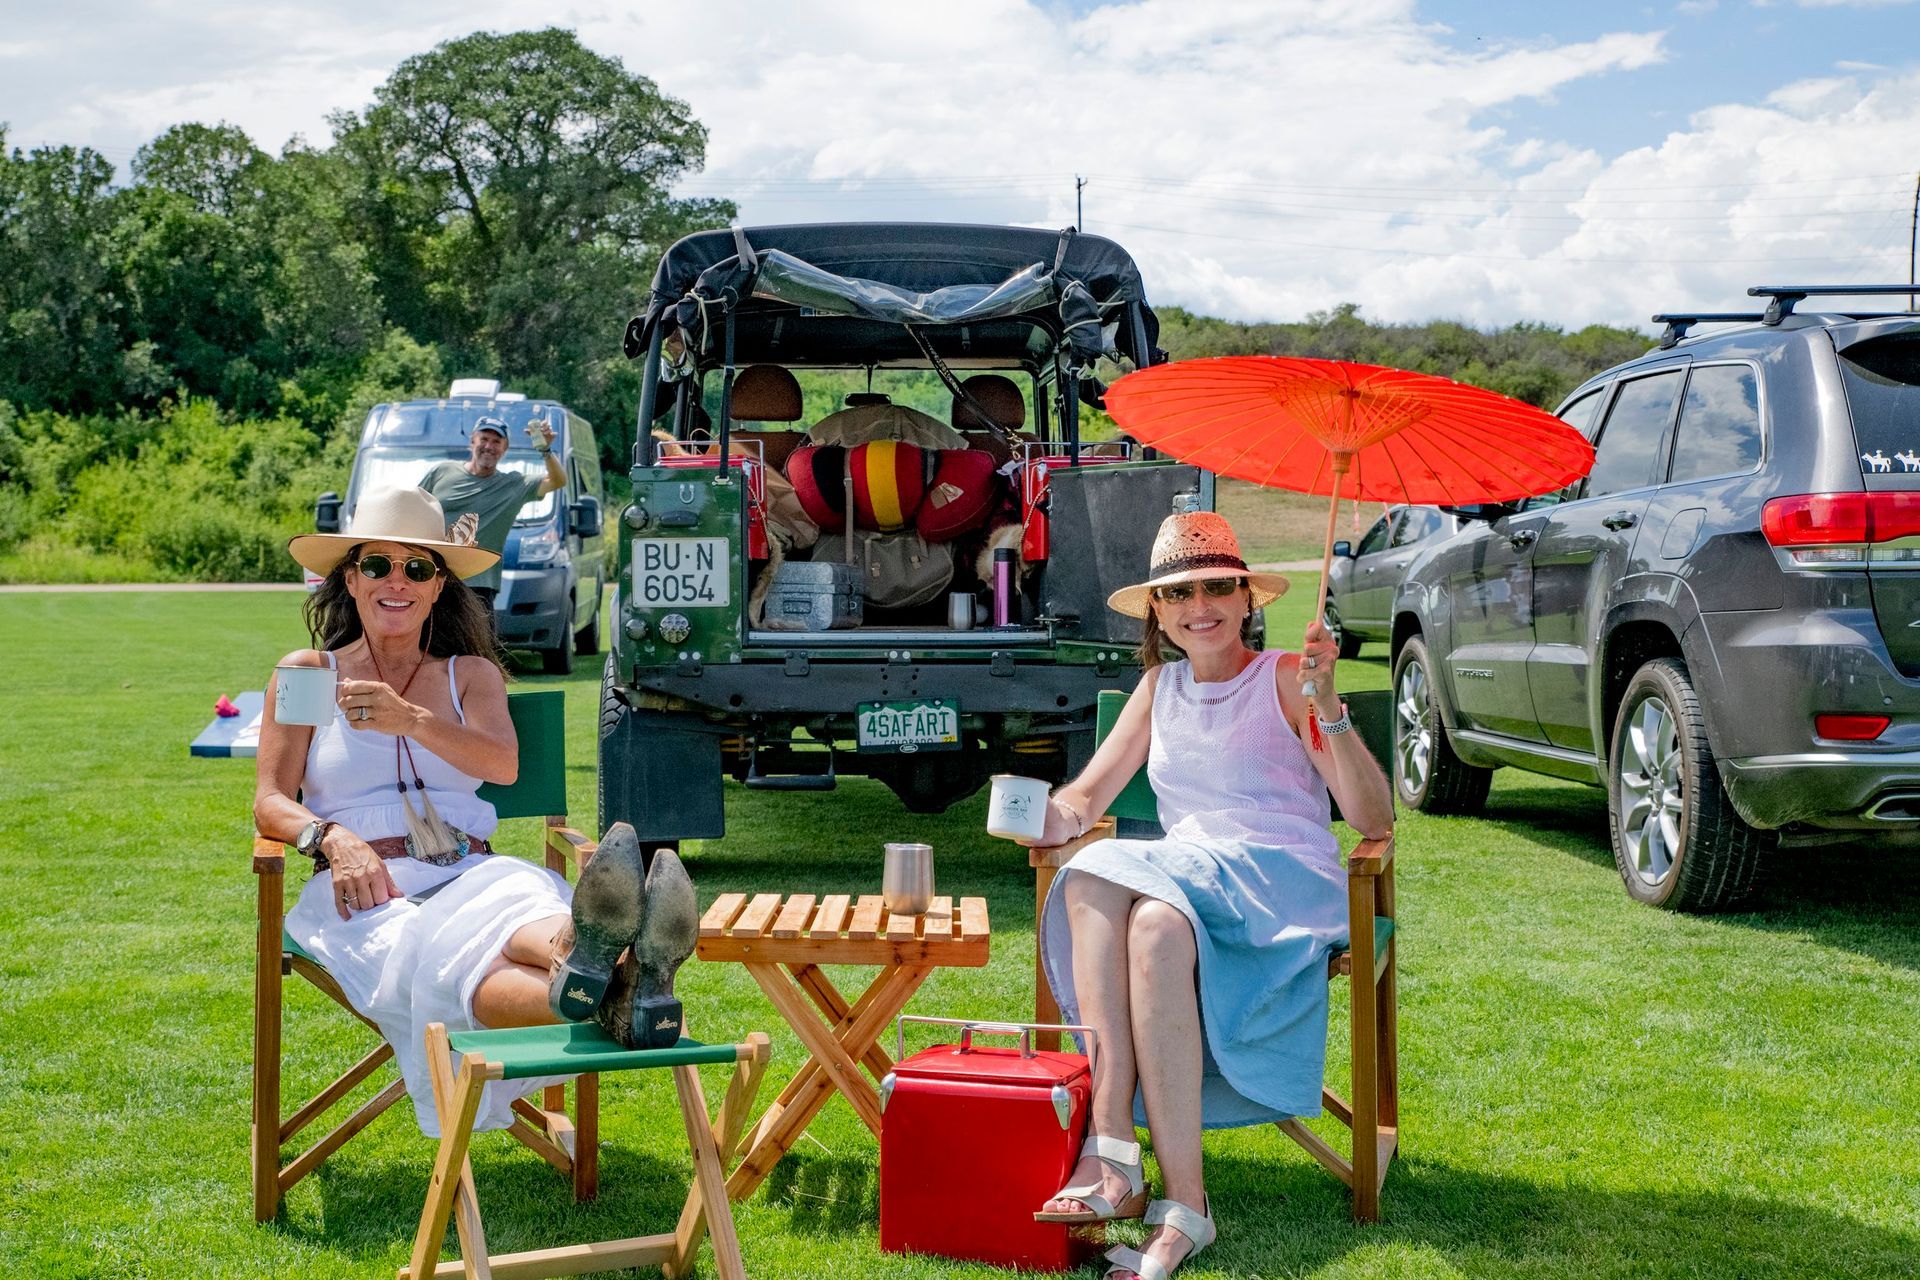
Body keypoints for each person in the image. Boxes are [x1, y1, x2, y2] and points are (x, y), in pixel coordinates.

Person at [1017, 510, 1393, 1280]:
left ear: (1247, 596)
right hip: (1191, 879)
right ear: (1158, 611)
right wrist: (1038, 817)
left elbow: (1372, 819)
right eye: (1179, 592)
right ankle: (1184, 1206)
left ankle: (1110, 1142)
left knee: (1100, 875)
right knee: (1142, 916)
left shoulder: (1290, 678)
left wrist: (1330, 705)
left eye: (1218, 585)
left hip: (1280, 880)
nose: (1201, 605)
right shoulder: (1158, 689)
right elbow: (1084, 802)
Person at [255, 486, 696, 1136]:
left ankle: (593, 956)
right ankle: (627, 991)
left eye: (418, 567)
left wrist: (412, 720)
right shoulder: (306, 673)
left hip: (471, 869)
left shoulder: (470, 676)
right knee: (455, 962)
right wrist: (329, 835)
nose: (396, 581)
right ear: (351, 579)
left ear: (440, 586)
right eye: (378, 565)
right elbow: (268, 802)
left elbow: (502, 765)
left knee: (525, 906)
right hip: (367, 892)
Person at [419, 415, 567, 614]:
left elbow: (557, 481)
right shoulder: (442, 472)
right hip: (432, 577)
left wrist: (545, 450)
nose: (489, 446)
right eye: (484, 439)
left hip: (479, 585)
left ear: (504, 449)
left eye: (497, 441)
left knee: (478, 645)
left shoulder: (514, 485)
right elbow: (415, 509)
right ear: (473, 441)